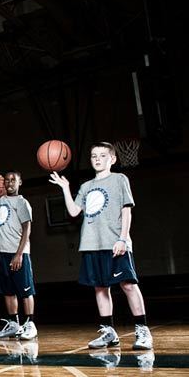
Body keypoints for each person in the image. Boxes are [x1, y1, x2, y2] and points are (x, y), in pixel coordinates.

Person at [49, 142, 152, 350]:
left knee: (128, 285)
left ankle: (142, 330)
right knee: (100, 288)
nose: (97, 158)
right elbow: (74, 212)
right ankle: (108, 332)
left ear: (112, 159)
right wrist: (65, 188)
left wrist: (123, 238)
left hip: (115, 241)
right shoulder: (86, 187)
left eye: (102, 155)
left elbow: (126, 211)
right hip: (91, 244)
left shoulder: (119, 179)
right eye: (94, 155)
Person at [0, 171, 38, 341]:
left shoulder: (22, 202)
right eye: (7, 180)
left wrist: (19, 254)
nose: (10, 183)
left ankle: (30, 324)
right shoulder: (0, 202)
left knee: (25, 290)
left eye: (13, 180)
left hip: (18, 252)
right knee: (8, 291)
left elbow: (27, 229)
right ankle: (13, 324)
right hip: (2, 252)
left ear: (20, 182)